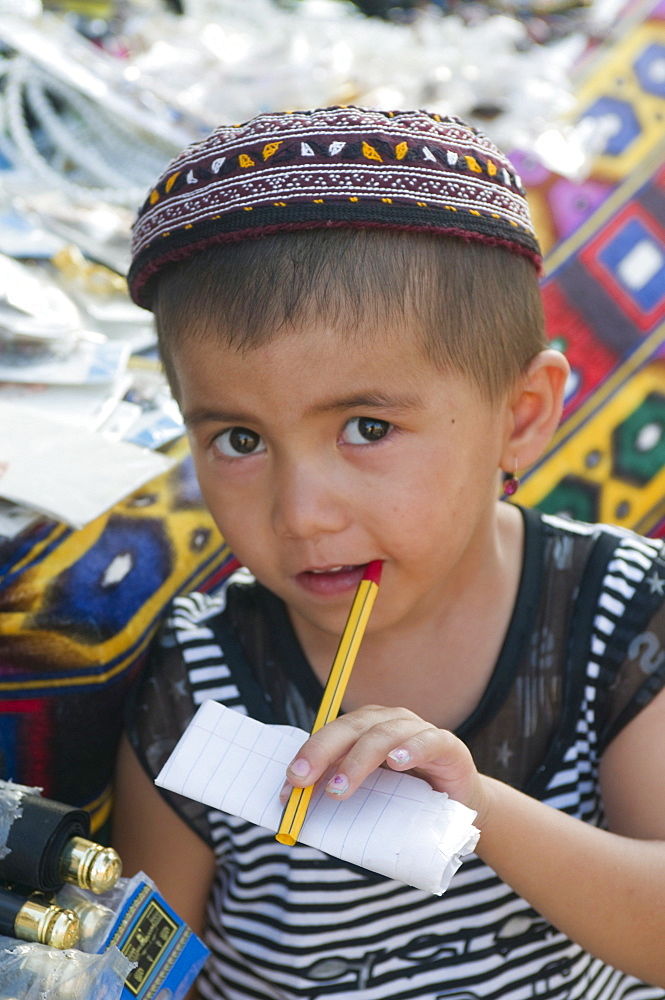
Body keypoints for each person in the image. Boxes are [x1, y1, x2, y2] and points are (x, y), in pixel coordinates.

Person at [113, 107, 665, 1000]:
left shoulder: (618, 612)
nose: (299, 514)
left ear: (519, 418)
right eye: (239, 441)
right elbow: (134, 972)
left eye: (367, 428)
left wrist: (476, 810)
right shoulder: (201, 680)